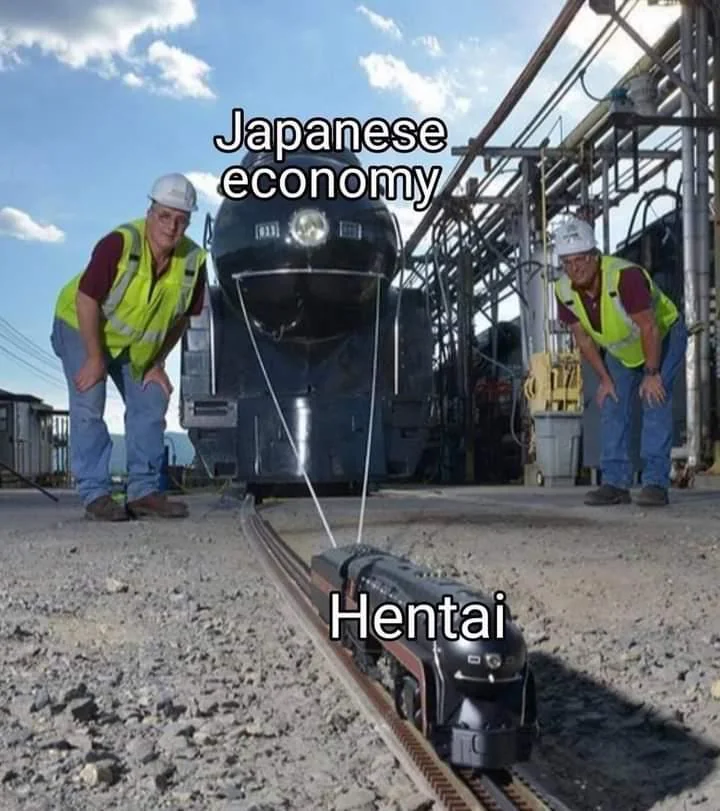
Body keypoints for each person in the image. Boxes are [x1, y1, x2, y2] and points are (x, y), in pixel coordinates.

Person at [51, 173, 208, 521]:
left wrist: (157, 363)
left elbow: (183, 319)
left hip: (131, 346)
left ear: (188, 222)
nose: (171, 226)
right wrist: (95, 358)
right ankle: (95, 494)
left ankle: (144, 492)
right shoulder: (119, 244)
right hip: (79, 324)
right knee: (90, 398)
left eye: (181, 219)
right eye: (164, 216)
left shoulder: (194, 262)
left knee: (152, 397)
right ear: (150, 212)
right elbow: (86, 299)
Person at [553, 216, 687, 507]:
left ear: (595, 256)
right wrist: (604, 379)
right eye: (567, 262)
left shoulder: (625, 278)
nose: (575, 268)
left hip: (663, 336)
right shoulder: (563, 291)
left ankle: (655, 483)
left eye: (581, 259)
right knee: (612, 404)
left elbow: (649, 327)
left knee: (654, 400)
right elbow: (583, 340)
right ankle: (615, 483)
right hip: (623, 350)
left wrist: (652, 373)